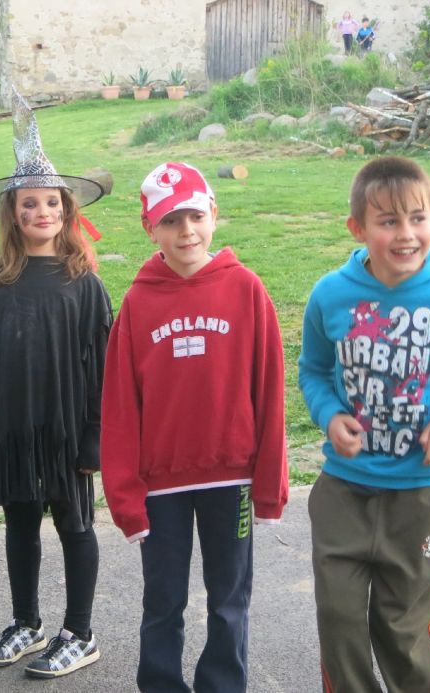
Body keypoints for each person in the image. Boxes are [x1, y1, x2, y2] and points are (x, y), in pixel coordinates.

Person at [298, 156, 430, 692]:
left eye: (417, 218)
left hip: (422, 494)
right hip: (344, 490)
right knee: (340, 620)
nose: (406, 234)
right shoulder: (331, 295)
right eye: (388, 221)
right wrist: (329, 414)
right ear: (358, 228)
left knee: (402, 628)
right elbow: (313, 371)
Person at [100, 162, 288, 692]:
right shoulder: (138, 302)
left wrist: (268, 485)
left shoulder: (246, 289)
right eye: (171, 220)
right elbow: (119, 407)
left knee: (229, 601)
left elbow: (269, 390)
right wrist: (125, 495)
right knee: (163, 602)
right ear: (150, 229)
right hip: (161, 487)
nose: (186, 231)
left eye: (195, 216)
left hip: (232, 480)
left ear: (214, 215)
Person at [0, 88, 111, 680]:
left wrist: (95, 436)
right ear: (13, 212)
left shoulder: (84, 284)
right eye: (29, 203)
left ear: (67, 211)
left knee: (74, 524)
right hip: (12, 428)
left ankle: (80, 631)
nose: (42, 212)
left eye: (52, 202)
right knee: (20, 524)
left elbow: (102, 367)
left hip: (66, 429)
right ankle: (27, 623)